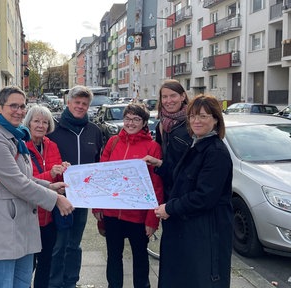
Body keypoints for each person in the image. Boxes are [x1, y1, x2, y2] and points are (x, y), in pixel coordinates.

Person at [0, 86, 74, 288]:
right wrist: (55, 198)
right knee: (0, 284)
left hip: (21, 226)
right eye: (13, 106)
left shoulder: (17, 136)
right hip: (2, 226)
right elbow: (17, 183)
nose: (19, 111)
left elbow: (25, 177)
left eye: (22, 106)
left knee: (21, 283)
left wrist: (50, 186)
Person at [153, 94, 233, 288]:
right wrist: (159, 165)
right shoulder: (197, 144)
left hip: (205, 233)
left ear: (215, 119)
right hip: (189, 229)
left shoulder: (215, 152)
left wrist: (170, 208)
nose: (196, 121)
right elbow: (183, 179)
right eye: (193, 116)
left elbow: (204, 197)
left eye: (203, 116)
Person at [92, 103, 163, 288]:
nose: (131, 123)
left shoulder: (152, 147)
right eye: (128, 119)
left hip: (138, 215)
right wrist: (98, 206)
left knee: (140, 257)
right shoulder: (113, 142)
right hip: (112, 213)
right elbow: (101, 176)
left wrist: (151, 219)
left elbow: (156, 186)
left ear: (145, 123)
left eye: (136, 119)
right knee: (113, 256)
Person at [47, 85, 103, 288]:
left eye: (84, 104)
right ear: (68, 103)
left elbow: (98, 164)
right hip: (58, 197)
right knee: (58, 244)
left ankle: (71, 282)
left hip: (83, 198)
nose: (80, 106)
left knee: (75, 245)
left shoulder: (94, 131)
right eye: (77, 102)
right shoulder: (54, 128)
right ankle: (54, 283)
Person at [23, 105, 70, 288]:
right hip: (28, 217)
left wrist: (62, 170)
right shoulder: (21, 146)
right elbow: (25, 181)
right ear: (29, 123)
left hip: (48, 216)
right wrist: (50, 175)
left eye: (45, 122)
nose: (41, 125)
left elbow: (56, 177)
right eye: (36, 121)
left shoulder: (52, 146)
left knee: (45, 264)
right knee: (26, 267)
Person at [143, 79, 192, 193]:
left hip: (187, 188)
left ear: (183, 96)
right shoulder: (161, 125)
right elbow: (161, 157)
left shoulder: (193, 123)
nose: (168, 100)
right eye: (164, 97)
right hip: (168, 186)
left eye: (173, 96)